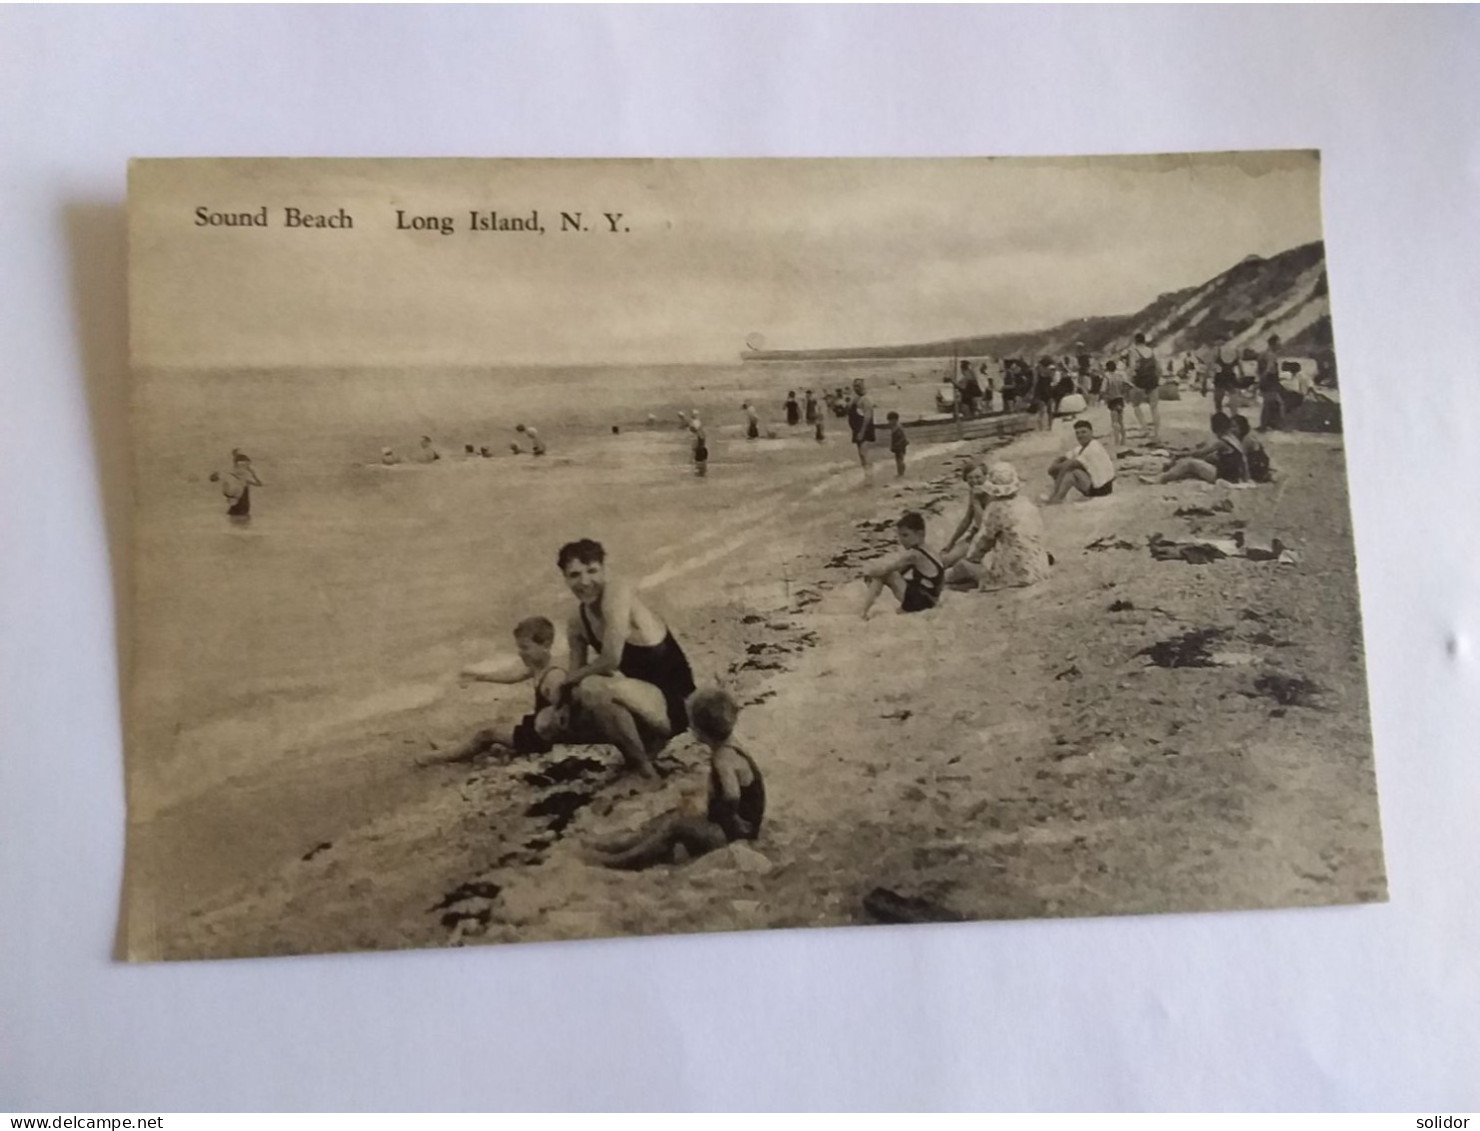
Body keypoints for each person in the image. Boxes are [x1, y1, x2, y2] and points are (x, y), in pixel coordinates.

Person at [557, 539, 697, 780]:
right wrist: (562, 703)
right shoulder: (577, 621)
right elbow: (575, 672)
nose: (584, 582)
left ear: (604, 569)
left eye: (592, 571)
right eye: (574, 575)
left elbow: (610, 660)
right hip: (644, 704)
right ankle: (642, 747)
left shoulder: (617, 594)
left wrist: (567, 682)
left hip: (677, 705)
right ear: (565, 578)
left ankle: (645, 770)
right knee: (549, 721)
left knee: (591, 687)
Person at [586, 688, 765, 870]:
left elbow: (732, 794)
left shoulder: (723, 758)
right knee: (673, 815)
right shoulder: (732, 747)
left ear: (699, 731)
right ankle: (622, 846)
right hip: (729, 826)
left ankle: (625, 859)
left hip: (732, 834)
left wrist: (733, 818)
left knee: (675, 826)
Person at [434, 616, 568, 765]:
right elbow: (512, 676)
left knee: (486, 734)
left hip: (541, 740)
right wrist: (479, 676)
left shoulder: (554, 677)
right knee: (498, 731)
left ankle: (444, 756)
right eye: (519, 648)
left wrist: (557, 752)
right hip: (538, 731)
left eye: (525, 647)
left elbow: (566, 716)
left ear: (546, 644)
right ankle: (454, 749)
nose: (520, 653)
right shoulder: (539, 667)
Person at [941, 462, 1053, 591]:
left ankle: (936, 580)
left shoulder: (996, 508)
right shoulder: (1026, 503)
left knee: (963, 566)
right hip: (1038, 568)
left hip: (1015, 572)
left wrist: (972, 558)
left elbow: (981, 543)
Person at [860, 511, 944, 618]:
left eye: (905, 535)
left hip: (922, 603)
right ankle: (865, 609)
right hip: (932, 599)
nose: (901, 540)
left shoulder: (914, 555)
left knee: (884, 575)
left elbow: (885, 570)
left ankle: (863, 612)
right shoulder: (930, 550)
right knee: (890, 575)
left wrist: (868, 574)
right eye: (900, 536)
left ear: (920, 533)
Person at [1139, 412, 1248, 485]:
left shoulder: (1221, 442)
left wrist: (1180, 455)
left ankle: (1160, 478)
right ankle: (1170, 472)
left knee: (1189, 464)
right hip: (1233, 475)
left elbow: (1199, 453)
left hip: (1223, 476)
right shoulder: (1233, 439)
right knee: (1200, 462)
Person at [1044, 419, 1117, 504]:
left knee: (1071, 473)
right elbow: (1064, 457)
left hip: (1102, 489)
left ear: (1091, 432)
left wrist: (1054, 468)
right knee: (1068, 470)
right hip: (1096, 485)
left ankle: (1056, 498)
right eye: (1077, 433)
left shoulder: (1093, 448)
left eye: (1083, 432)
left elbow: (1068, 465)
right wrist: (1056, 463)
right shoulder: (1082, 447)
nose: (1080, 435)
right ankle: (1055, 496)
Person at [210, 449, 263, 518]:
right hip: (240, 509)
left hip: (241, 509)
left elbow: (259, 484)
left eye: (246, 465)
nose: (244, 467)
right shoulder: (231, 475)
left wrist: (253, 474)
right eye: (243, 465)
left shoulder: (244, 478)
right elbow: (213, 479)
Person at [1130, 332, 1161, 440]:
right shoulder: (1151, 351)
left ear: (1135, 341)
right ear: (1144, 341)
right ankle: (1156, 433)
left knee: (1136, 405)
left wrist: (1130, 379)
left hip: (1141, 380)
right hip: (1152, 379)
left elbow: (1133, 367)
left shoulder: (1134, 351)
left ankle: (1144, 428)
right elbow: (1158, 367)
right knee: (1154, 407)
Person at [846, 377, 876, 480]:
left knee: (864, 453)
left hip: (864, 429)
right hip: (857, 429)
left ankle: (869, 476)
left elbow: (868, 417)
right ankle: (866, 474)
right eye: (854, 386)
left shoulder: (866, 399)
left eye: (858, 385)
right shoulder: (856, 399)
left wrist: (862, 432)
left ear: (863, 385)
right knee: (861, 454)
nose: (856, 388)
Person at [1231, 414, 1273, 483]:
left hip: (1257, 468)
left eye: (1234, 427)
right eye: (1230, 427)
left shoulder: (1247, 439)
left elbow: (1242, 459)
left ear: (1241, 427)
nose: (1231, 430)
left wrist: (1246, 478)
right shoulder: (1247, 436)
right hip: (1260, 465)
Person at [1256, 334, 1285, 432]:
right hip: (1269, 380)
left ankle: (1267, 425)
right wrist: (1262, 379)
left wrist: (1259, 380)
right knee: (1274, 403)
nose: (1280, 344)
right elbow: (1268, 369)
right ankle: (1267, 426)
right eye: (1279, 342)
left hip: (1267, 380)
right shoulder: (1271, 355)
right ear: (1274, 344)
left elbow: (1259, 369)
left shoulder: (1263, 354)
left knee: (1271, 403)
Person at [1102, 360, 1129, 449]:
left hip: (1112, 400)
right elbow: (1127, 385)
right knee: (1121, 421)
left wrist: (1104, 396)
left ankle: (1117, 440)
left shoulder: (1107, 377)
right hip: (1120, 399)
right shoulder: (1120, 376)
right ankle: (1124, 439)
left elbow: (1103, 389)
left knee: (1114, 422)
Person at [1212, 343, 1241, 414]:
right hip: (1231, 375)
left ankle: (1219, 414)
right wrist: (1241, 375)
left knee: (1218, 399)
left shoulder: (1218, 350)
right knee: (1233, 395)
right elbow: (1238, 364)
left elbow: (1214, 365)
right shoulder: (1236, 350)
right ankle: (1234, 414)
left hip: (1220, 375)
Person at [887, 411, 909, 477]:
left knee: (900, 459)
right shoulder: (894, 427)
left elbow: (903, 437)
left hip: (900, 446)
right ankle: (900, 472)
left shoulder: (898, 428)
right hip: (897, 446)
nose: (889, 422)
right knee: (898, 459)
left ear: (895, 420)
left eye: (890, 420)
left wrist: (898, 445)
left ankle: (901, 473)